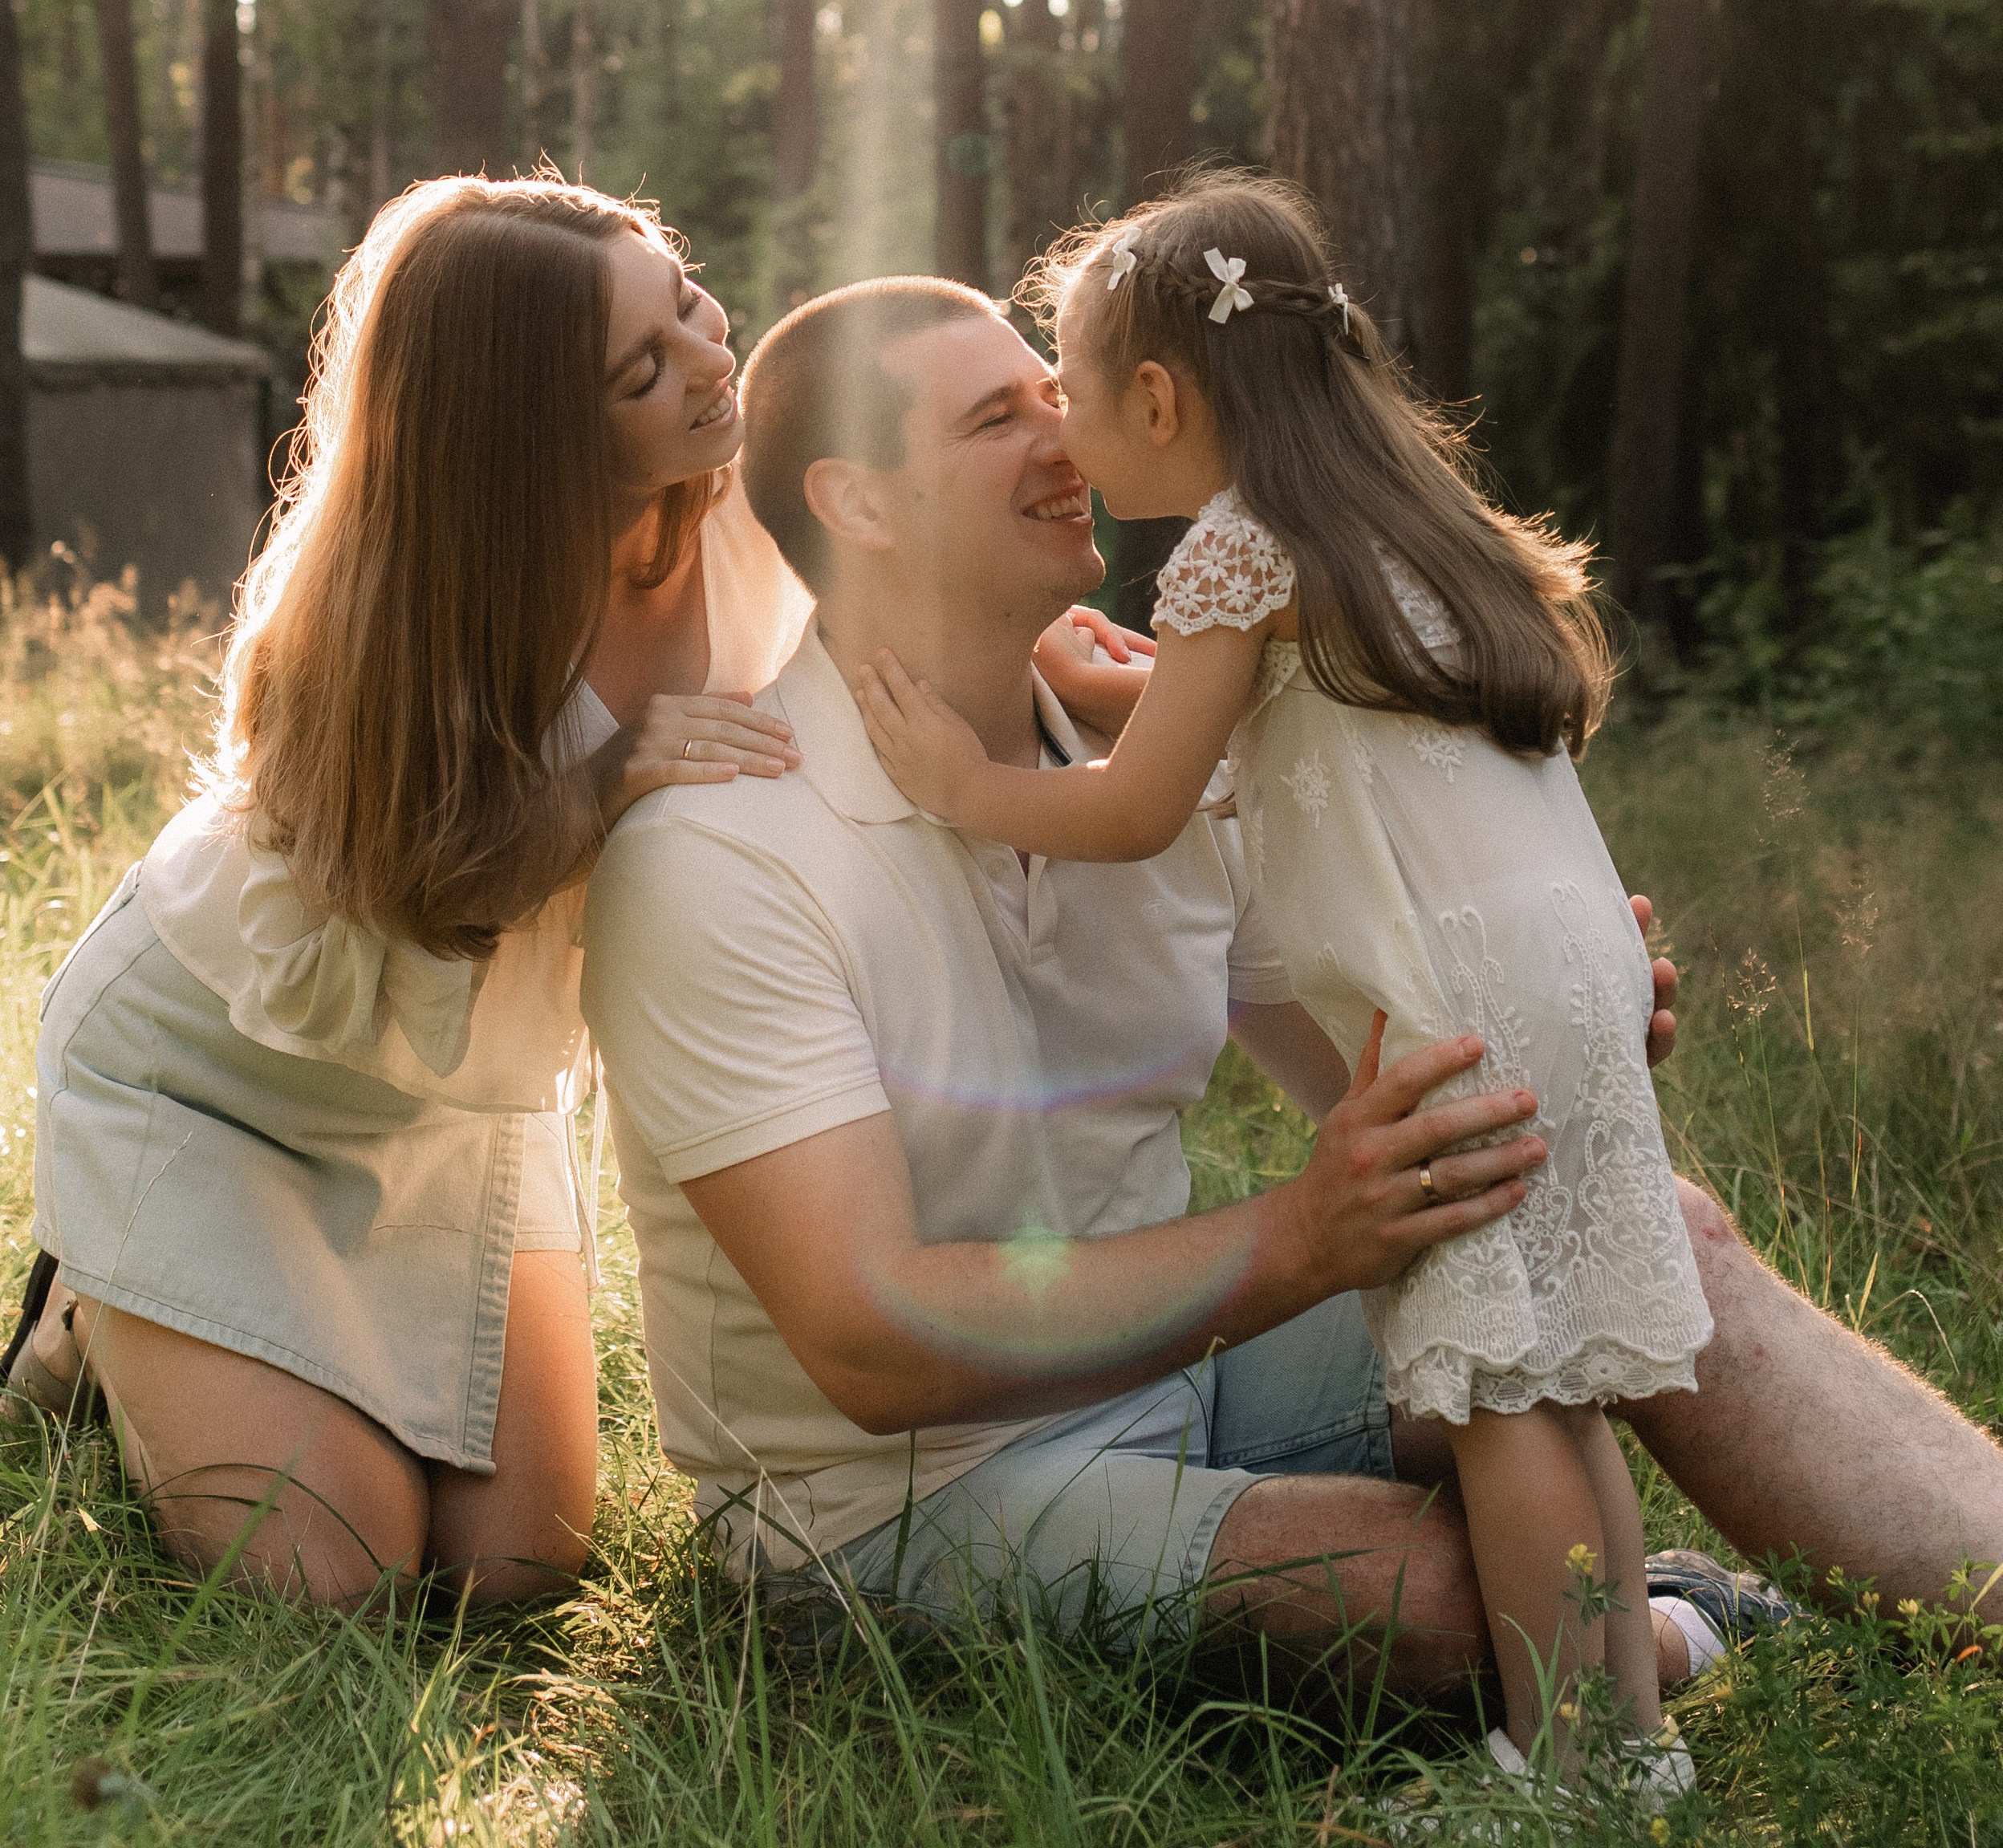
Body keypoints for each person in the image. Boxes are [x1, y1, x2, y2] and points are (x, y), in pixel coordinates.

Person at [584, 270, 2003, 1708]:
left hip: (1184, 1374)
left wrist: (1525, 1024)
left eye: (1054, 394)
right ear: (860, 502)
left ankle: (1988, 1588)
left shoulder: (1163, 762)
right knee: (1443, 1599)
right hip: (885, 1500)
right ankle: (1694, 1627)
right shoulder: (723, 852)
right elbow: (870, 1339)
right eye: (996, 419)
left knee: (1649, 1237)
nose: (1069, 437)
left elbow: (1367, 1069)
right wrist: (1306, 1237)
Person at [853, 173, 1704, 1795]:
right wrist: (1132, 690)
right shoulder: (1396, 529)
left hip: (1455, 999)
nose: (1063, 433)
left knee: (1496, 1393)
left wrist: (958, 779)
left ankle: (1567, 1779)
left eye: (1074, 395)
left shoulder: (1237, 555)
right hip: (1572, 966)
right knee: (1561, 1383)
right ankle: (1631, 1759)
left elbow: (1135, 810)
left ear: (1160, 399)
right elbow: (1284, 755)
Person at [2, 175, 811, 1602]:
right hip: (213, 1089)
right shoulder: (390, 617)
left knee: (519, 1574)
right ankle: (91, 1306)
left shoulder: (754, 506)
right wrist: (613, 776)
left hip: (457, 1102)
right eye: (645, 367)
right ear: (532, 442)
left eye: (686, 300)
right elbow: (428, 887)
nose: (708, 357)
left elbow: (916, 638)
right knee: (335, 1581)